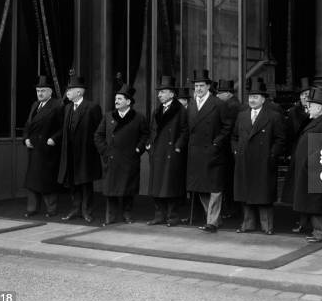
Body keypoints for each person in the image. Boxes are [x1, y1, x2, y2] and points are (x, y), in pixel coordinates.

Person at [232, 78, 286, 235]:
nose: (252, 100)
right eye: (250, 97)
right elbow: (234, 137)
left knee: (264, 196)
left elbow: (280, 139)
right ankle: (247, 224)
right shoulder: (242, 116)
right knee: (246, 195)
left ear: (263, 99)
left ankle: (267, 226)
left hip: (263, 162)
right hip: (244, 161)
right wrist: (236, 151)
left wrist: (272, 155)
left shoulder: (273, 116)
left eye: (255, 97)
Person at [94, 84, 149, 226]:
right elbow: (98, 136)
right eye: (115, 99)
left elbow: (145, 136)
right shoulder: (108, 116)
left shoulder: (138, 118)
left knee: (128, 190)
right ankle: (110, 217)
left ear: (128, 101)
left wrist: (138, 149)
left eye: (119, 99)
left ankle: (127, 215)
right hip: (111, 159)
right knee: (111, 190)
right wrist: (105, 151)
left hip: (129, 159)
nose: (116, 101)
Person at [186, 69, 232, 233]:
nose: (198, 89)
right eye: (196, 86)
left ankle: (212, 221)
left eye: (201, 86)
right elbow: (187, 128)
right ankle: (213, 219)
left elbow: (227, 127)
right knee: (200, 187)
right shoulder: (192, 105)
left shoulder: (218, 104)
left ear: (208, 87)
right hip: (195, 152)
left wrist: (216, 144)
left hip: (213, 152)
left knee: (214, 187)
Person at [292, 87, 322, 242]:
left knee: (318, 203)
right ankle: (317, 231)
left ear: (319, 108)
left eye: (310, 105)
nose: (308, 108)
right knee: (313, 202)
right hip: (311, 169)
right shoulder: (319, 120)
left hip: (318, 170)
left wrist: (312, 162)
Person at [58, 75, 103, 223]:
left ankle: (87, 211)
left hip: (86, 153)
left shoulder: (92, 107)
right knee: (72, 182)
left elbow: (99, 131)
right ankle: (76, 209)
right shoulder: (68, 108)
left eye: (70, 90)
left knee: (85, 183)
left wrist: (96, 150)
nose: (67, 92)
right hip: (70, 153)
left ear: (79, 92)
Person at [146, 76, 188, 226]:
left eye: (162, 92)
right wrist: (149, 144)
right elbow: (151, 130)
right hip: (157, 152)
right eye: (159, 92)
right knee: (157, 186)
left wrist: (178, 146)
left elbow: (185, 130)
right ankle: (159, 215)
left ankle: (172, 216)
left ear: (171, 94)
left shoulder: (180, 110)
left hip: (171, 153)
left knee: (171, 186)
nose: (159, 95)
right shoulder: (157, 110)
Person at [22, 76, 63, 218]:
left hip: (47, 149)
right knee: (32, 180)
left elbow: (63, 128)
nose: (40, 93)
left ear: (50, 92)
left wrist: (53, 139)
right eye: (38, 90)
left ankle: (51, 209)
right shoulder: (35, 105)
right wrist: (25, 138)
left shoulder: (57, 105)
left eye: (43, 91)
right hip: (34, 148)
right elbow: (28, 124)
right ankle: (32, 208)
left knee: (47, 180)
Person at [284, 77, 315, 232]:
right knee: (299, 188)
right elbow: (289, 135)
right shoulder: (293, 112)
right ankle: (302, 221)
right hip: (298, 153)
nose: (305, 98)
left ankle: (312, 222)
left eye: (308, 95)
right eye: (302, 95)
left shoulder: (317, 112)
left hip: (313, 153)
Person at [216, 79, 244, 220]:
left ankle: (232, 210)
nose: (218, 96)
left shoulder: (231, 106)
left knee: (229, 181)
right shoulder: (233, 104)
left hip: (228, 150)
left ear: (227, 93)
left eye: (220, 93)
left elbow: (229, 128)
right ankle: (233, 209)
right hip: (230, 149)